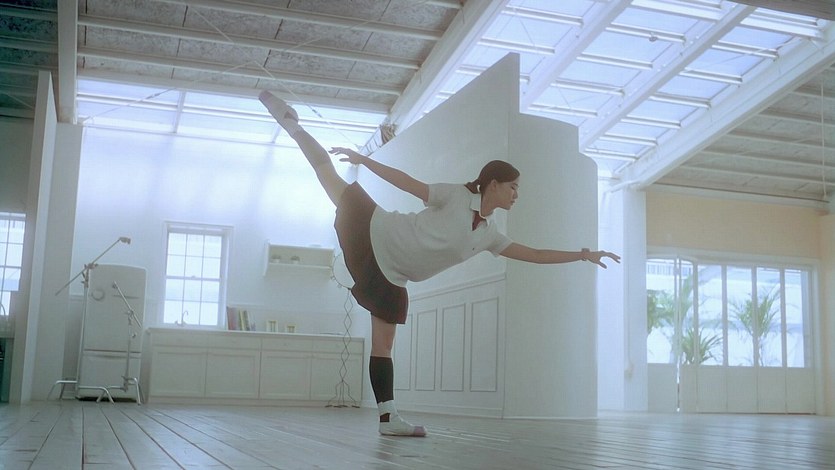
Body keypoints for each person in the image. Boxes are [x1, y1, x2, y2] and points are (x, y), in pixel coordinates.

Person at [258, 91, 620, 437]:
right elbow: (409, 184)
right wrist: (364, 160)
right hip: (376, 229)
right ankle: (291, 123)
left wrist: (583, 254)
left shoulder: (489, 235)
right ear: (493, 184)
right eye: (513, 186)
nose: (516, 194)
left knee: (383, 346)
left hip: (393, 275)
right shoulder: (456, 195)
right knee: (326, 172)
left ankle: (387, 418)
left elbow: (536, 255)